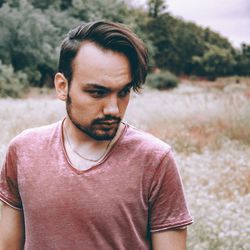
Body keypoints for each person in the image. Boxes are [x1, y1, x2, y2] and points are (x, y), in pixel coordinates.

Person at [0, 21, 193, 250]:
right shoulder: (23, 150)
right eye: (97, 92)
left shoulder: (155, 160)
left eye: (123, 92)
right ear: (62, 86)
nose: (113, 109)